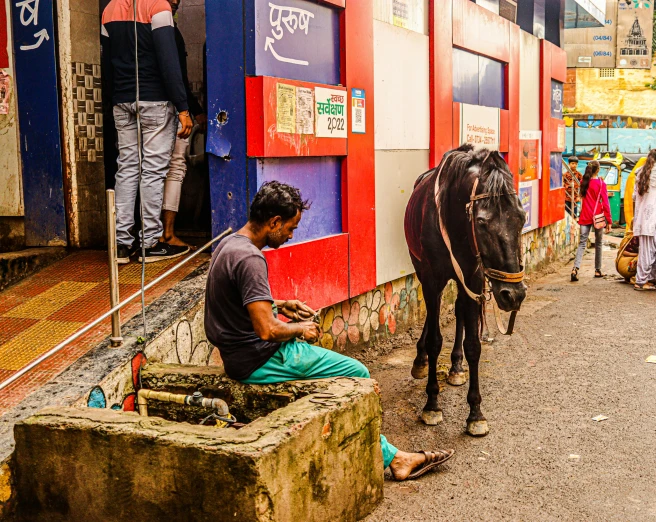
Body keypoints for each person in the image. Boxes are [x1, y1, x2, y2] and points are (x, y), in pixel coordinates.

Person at [204, 181, 454, 481]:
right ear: (274, 222)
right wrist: (301, 329)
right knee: (358, 374)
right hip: (260, 359)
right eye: (290, 228)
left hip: (238, 355)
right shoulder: (251, 259)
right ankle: (394, 458)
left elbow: (242, 302)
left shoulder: (230, 245)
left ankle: (393, 455)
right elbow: (267, 331)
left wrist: (281, 303)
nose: (290, 235)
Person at [102, 0, 193, 264]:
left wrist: (115, 98)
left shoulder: (109, 9)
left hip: (123, 101)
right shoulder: (158, 6)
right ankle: (150, 243)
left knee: (127, 167)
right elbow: (168, 59)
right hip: (155, 101)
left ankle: (120, 245)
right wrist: (183, 106)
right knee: (153, 169)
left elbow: (107, 63)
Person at [160, 0, 208, 248]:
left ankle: (153, 234)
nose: (176, 2)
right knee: (175, 167)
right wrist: (188, 110)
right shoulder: (166, 30)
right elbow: (175, 75)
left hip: (152, 106)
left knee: (151, 170)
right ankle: (166, 233)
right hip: (171, 109)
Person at [632, 147, 656, 291]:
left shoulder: (640, 172)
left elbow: (634, 197)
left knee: (651, 248)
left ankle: (651, 279)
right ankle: (641, 281)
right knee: (649, 250)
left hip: (642, 216)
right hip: (654, 216)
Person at [571, 160, 612, 282]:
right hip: (598, 217)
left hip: (585, 216)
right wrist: (609, 220)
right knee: (598, 243)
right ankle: (598, 270)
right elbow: (605, 203)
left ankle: (575, 268)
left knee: (582, 243)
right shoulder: (601, 183)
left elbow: (581, 198)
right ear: (598, 170)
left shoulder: (584, 182)